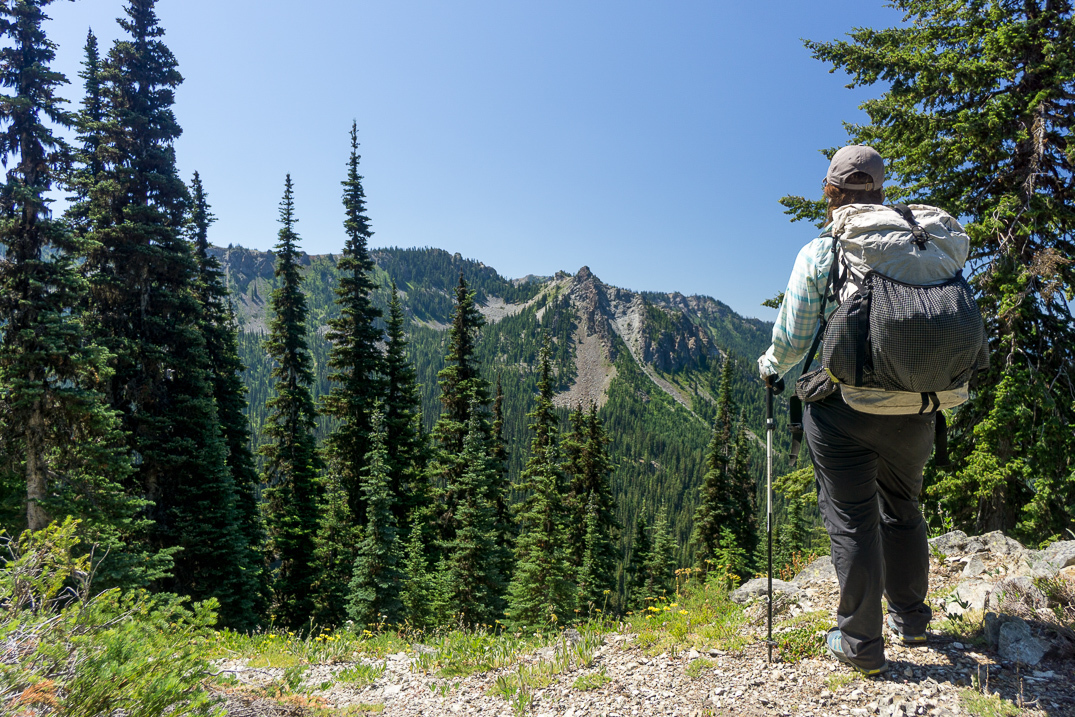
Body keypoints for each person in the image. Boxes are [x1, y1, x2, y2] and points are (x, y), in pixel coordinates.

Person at [758, 145, 934, 676]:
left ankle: (860, 642)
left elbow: (793, 339)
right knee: (903, 507)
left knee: (853, 520)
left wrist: (770, 367)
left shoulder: (824, 251)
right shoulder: (920, 243)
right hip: (917, 404)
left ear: (830, 192)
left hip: (846, 409)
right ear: (880, 190)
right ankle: (912, 620)